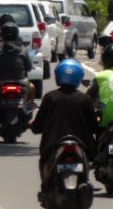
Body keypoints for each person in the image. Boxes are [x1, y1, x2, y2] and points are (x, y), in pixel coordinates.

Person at [30, 58, 96, 194]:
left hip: (53, 145)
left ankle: (45, 186)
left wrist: (32, 124)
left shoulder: (50, 97)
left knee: (44, 163)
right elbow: (94, 126)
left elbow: (37, 127)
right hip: (82, 145)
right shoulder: (85, 99)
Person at [0, 21, 34, 103]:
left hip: (1, 82)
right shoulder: (23, 49)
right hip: (20, 81)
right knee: (32, 87)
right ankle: (29, 107)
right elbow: (29, 67)